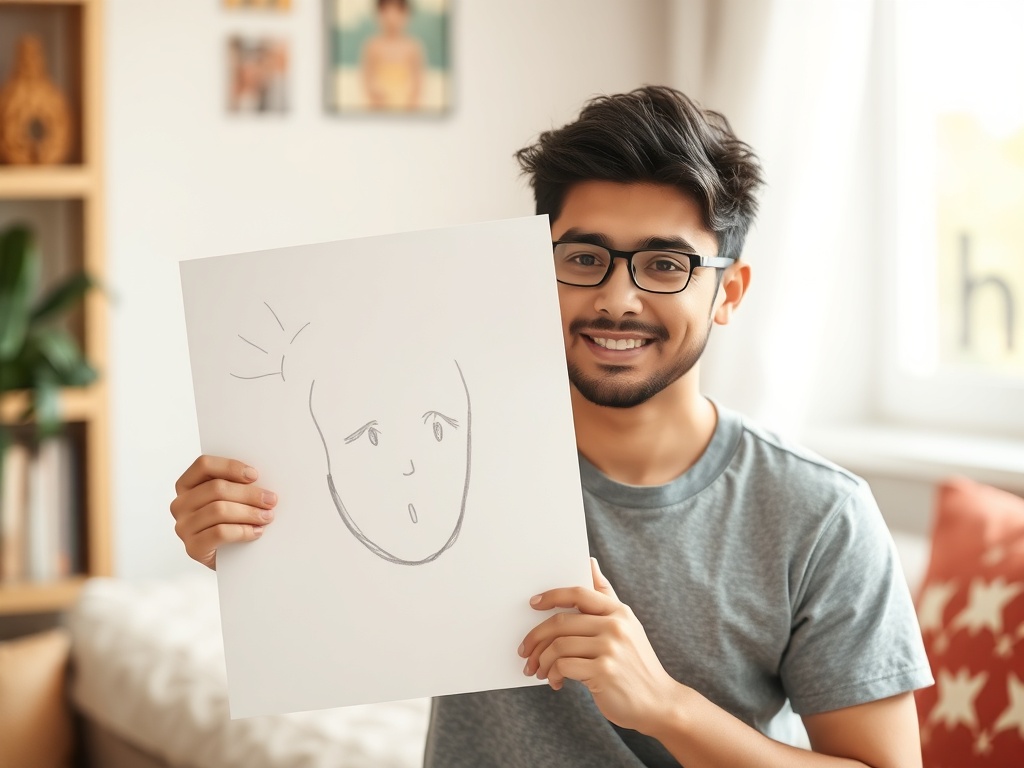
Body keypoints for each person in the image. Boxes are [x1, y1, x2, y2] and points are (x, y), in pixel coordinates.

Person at [171, 85, 932, 767]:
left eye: (665, 265)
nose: (618, 300)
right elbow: (341, 587)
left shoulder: (821, 516)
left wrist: (664, 706)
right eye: (584, 258)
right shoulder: (447, 444)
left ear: (728, 292)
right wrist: (247, 550)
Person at [359, 0, 425, 110]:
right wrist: (375, 97)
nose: (391, 18)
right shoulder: (373, 46)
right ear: (378, 14)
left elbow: (418, 84)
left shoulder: (413, 47)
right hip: (378, 107)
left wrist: (412, 105)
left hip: (406, 108)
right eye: (386, 12)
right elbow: (367, 80)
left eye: (398, 12)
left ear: (407, 14)